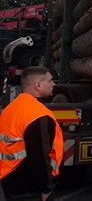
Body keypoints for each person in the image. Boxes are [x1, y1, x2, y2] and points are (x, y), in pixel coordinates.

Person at [0, 66, 63, 201]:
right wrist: (46, 188)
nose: (53, 84)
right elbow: (40, 157)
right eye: (50, 80)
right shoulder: (38, 115)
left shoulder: (10, 108)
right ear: (38, 85)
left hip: (9, 181)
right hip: (30, 188)